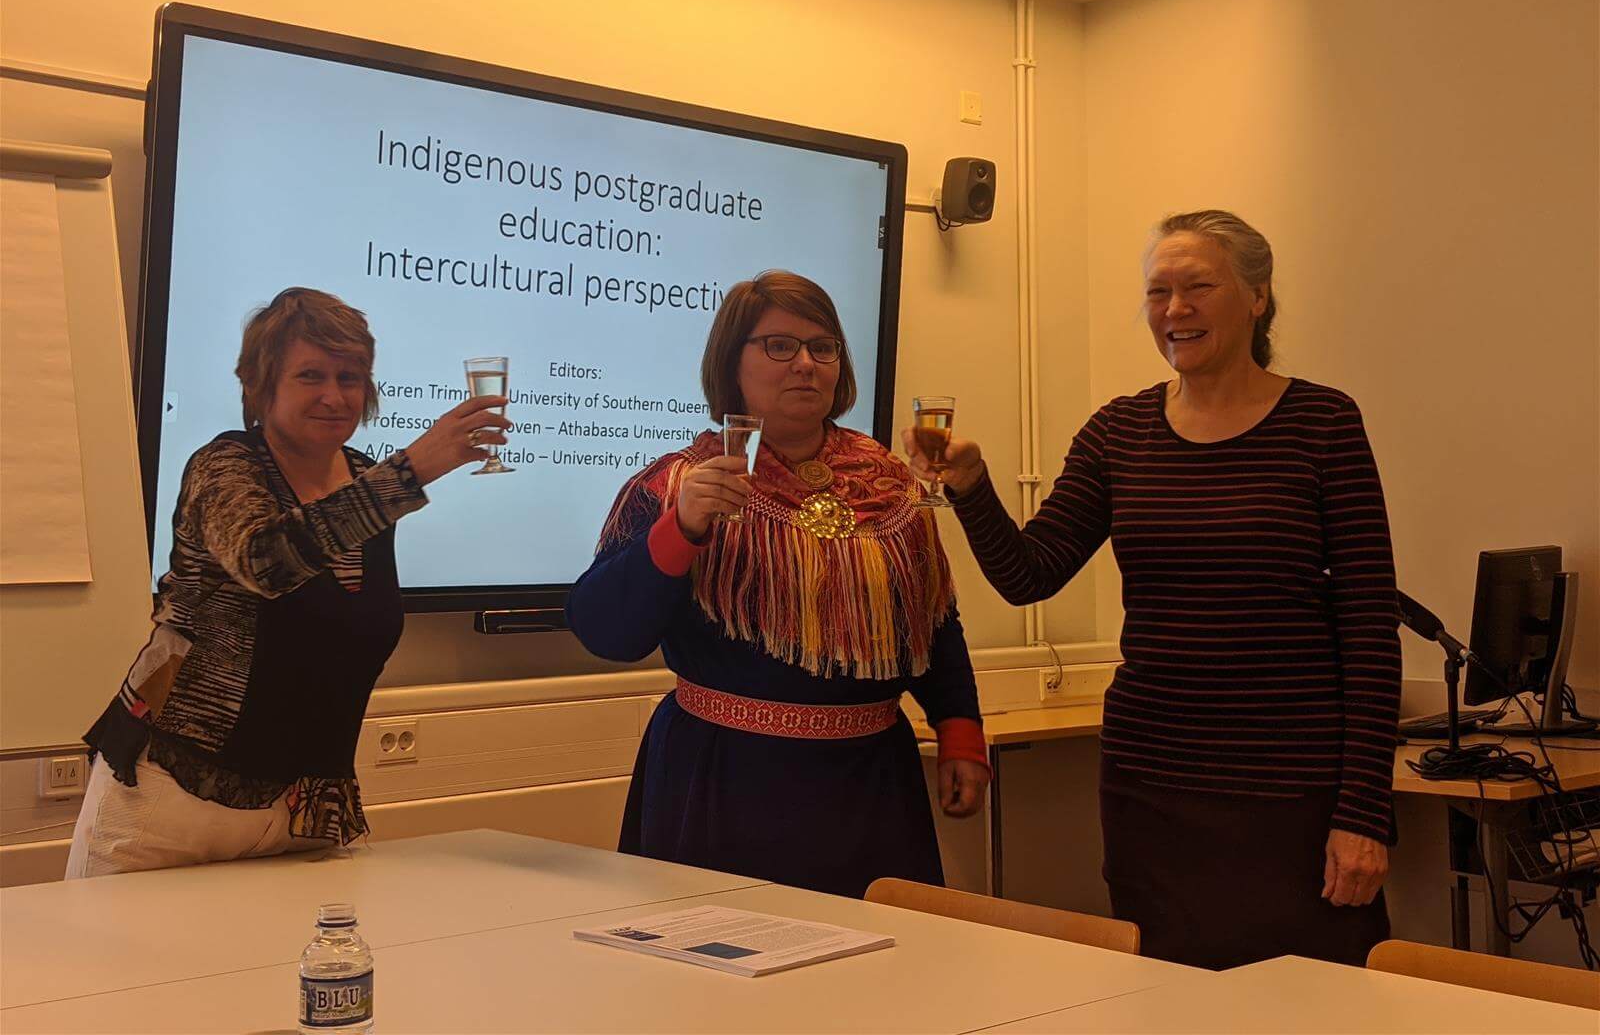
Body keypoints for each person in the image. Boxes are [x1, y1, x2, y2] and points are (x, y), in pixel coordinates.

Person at [907, 211, 1402, 969]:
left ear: (1258, 298)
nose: (1175, 310)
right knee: (1171, 998)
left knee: (1320, 1003)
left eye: (1198, 287)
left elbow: (1370, 630)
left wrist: (1365, 813)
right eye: (1157, 293)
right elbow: (1028, 574)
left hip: (1292, 790)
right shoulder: (1117, 432)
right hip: (1153, 788)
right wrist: (972, 487)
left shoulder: (1323, 423)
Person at [567, 270, 989, 898]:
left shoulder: (894, 485)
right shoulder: (675, 486)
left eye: (823, 348)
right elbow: (605, 631)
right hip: (722, 781)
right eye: (780, 346)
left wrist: (960, 730)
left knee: (884, 984)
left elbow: (930, 622)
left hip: (872, 783)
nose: (806, 365)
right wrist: (680, 530)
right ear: (730, 362)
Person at [67, 288, 510, 878]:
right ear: (260, 384)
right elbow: (266, 562)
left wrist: (389, 481)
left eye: (350, 377)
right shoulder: (224, 465)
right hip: (170, 798)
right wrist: (411, 472)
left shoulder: (361, 481)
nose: (334, 395)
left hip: (301, 811)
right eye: (311, 375)